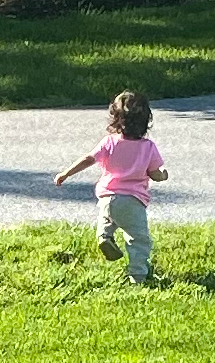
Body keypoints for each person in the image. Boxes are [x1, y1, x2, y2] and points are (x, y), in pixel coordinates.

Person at [53, 89, 170, 281]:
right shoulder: (148, 147)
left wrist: (66, 173)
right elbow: (154, 173)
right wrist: (163, 175)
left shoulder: (109, 142)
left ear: (115, 118)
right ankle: (138, 274)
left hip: (107, 197)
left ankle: (104, 236)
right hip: (133, 201)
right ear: (146, 120)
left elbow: (89, 158)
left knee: (108, 218)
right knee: (138, 239)